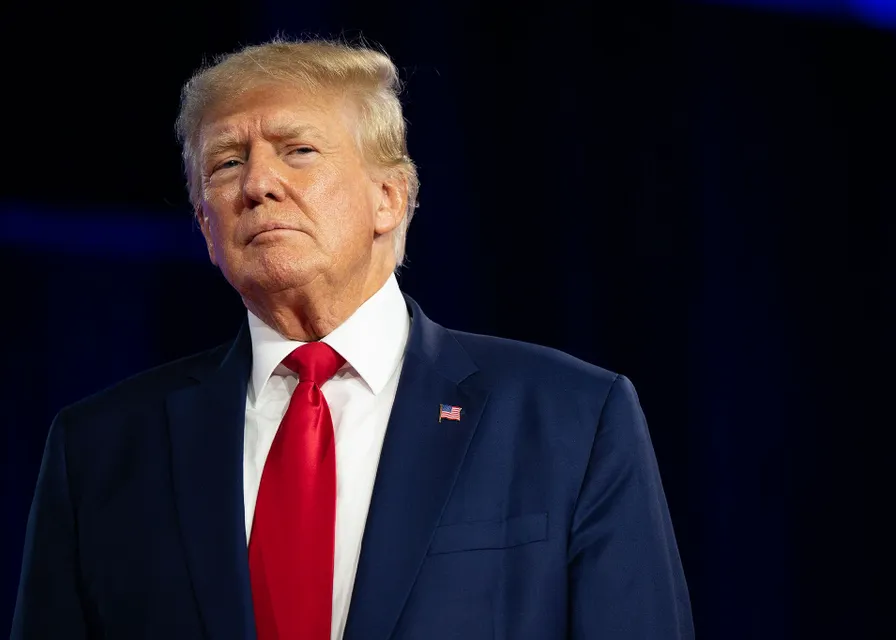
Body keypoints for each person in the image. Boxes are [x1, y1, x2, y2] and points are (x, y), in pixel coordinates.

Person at [11, 38, 693, 640]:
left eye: (297, 151)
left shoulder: (572, 416)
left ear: (389, 198)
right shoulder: (99, 450)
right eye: (224, 164)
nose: (256, 184)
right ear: (204, 224)